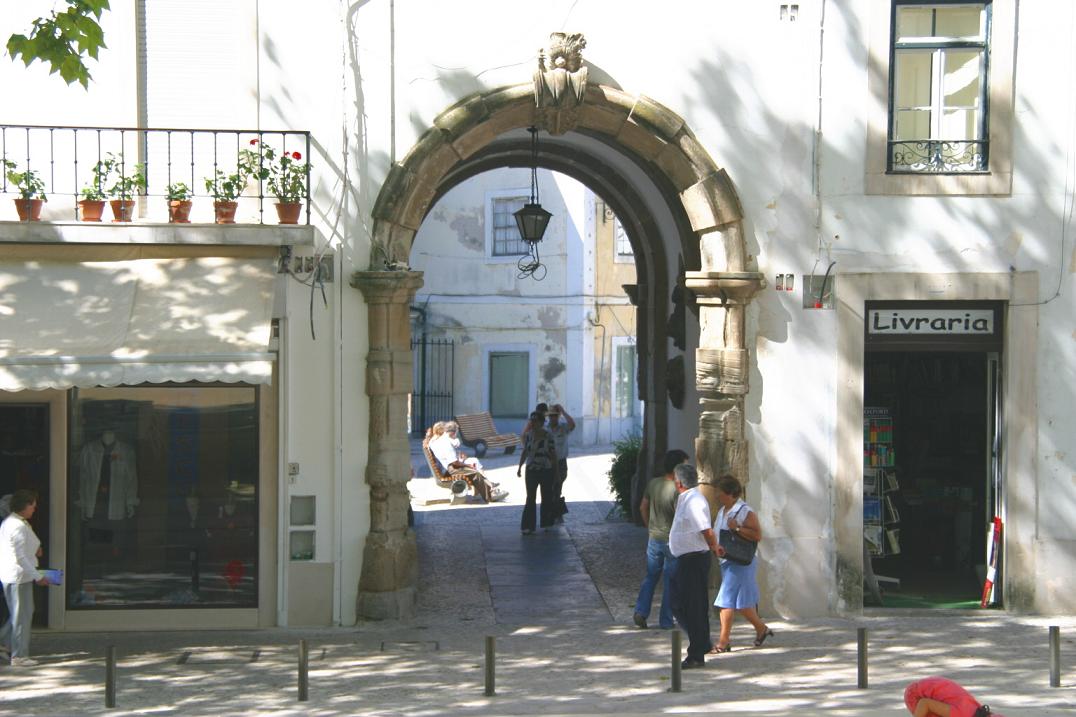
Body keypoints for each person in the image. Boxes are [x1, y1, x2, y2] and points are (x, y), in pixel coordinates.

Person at [667, 463, 723, 669]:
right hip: (683, 559)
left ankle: (697, 652)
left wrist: (714, 546)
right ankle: (701, 641)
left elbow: (705, 529)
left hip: (693, 559)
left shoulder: (694, 501)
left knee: (693, 607)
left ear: (679, 482)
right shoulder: (686, 499)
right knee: (678, 603)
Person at [710, 474, 773, 653]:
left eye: (720, 493)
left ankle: (723, 642)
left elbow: (757, 535)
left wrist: (736, 528)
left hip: (739, 562)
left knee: (726, 602)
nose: (717, 496)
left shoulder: (745, 511)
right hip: (727, 560)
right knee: (743, 604)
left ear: (731, 494)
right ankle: (762, 629)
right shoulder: (723, 510)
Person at [633, 449, 689, 630]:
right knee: (670, 580)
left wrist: (649, 526)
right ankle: (666, 620)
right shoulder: (678, 490)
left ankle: (641, 611)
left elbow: (643, 507)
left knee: (651, 576)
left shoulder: (653, 483)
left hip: (654, 537)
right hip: (672, 540)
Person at [0, 489, 49, 666]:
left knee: (21, 613)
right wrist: (37, 576)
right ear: (24, 506)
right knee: (22, 616)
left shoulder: (12, 522)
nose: (34, 509)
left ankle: (5, 643)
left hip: (15, 576)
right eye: (33, 506)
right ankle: (19, 655)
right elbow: (20, 556)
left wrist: (35, 548)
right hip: (19, 576)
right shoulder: (18, 525)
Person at [428, 422, 506, 503]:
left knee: (474, 470)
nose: (456, 435)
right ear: (453, 433)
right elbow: (454, 462)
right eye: (456, 433)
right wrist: (467, 465)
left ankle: (490, 490)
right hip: (452, 469)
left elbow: (454, 451)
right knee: (475, 473)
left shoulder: (442, 440)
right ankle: (490, 495)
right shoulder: (446, 443)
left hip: (450, 467)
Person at [517, 410, 557, 534]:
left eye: (535, 421)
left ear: (541, 422)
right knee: (530, 497)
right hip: (531, 470)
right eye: (531, 420)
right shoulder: (529, 435)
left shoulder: (548, 435)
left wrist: (556, 473)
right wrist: (519, 467)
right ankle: (528, 526)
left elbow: (553, 454)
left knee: (546, 496)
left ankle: (547, 523)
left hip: (546, 470)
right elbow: (525, 451)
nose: (532, 423)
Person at [904, 677, 1005, 717]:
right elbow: (924, 703)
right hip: (915, 695)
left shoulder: (978, 710)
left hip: (930, 688)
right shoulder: (961, 714)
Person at [546, 404, 575, 523]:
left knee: (557, 487)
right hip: (548, 463)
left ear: (558, 416)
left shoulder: (563, 428)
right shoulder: (545, 429)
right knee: (549, 488)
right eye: (551, 416)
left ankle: (556, 512)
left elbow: (573, 424)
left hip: (561, 462)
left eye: (555, 416)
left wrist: (563, 411)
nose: (553, 418)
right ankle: (552, 512)